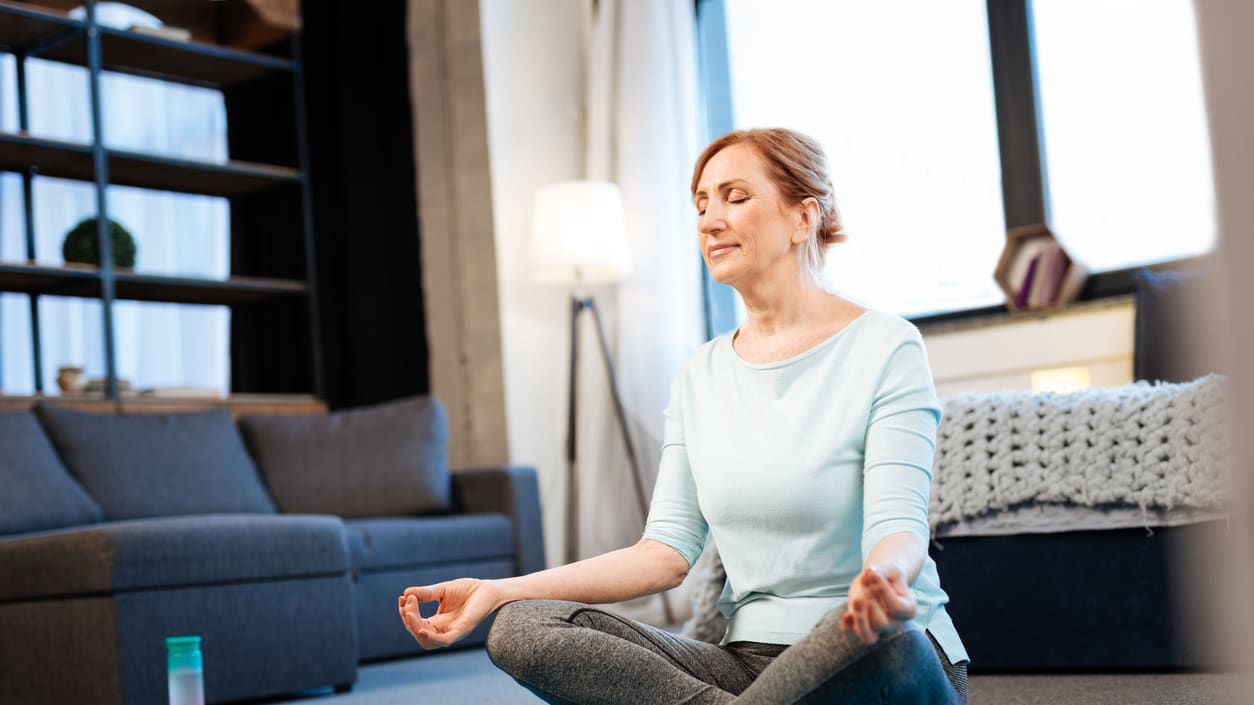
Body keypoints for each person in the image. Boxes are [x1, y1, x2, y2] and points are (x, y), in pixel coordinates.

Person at [398, 127, 970, 704]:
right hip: (752, 666)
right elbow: (663, 554)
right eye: (701, 205)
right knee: (522, 625)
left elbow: (897, 527)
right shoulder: (700, 376)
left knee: (879, 640)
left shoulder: (885, 346)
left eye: (735, 197)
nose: (710, 221)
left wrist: (883, 579)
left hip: (873, 652)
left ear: (804, 218)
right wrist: (499, 590)